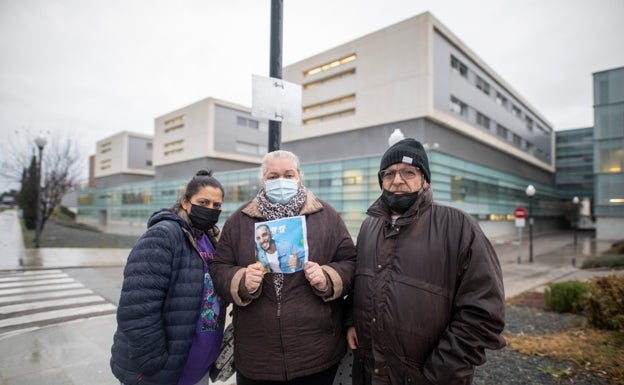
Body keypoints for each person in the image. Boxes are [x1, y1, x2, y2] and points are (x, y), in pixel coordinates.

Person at [346, 138, 506, 384]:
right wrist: (352, 321)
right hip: (371, 372)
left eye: (408, 172)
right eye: (389, 173)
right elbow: (359, 285)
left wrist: (438, 373)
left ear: (425, 180)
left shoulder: (459, 226)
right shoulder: (369, 226)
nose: (397, 180)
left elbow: (483, 314)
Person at [210, 150, 356, 385]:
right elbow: (219, 267)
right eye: (273, 176)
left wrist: (327, 277)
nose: (281, 181)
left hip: (316, 353)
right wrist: (241, 280)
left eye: (288, 175)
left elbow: (350, 261)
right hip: (258, 355)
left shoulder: (326, 216)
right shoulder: (240, 220)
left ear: (300, 177)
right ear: (263, 180)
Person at [111, 169, 227, 385]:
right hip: (166, 373)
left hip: (198, 368)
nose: (210, 210)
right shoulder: (163, 236)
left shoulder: (211, 240)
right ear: (185, 202)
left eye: (216, 206)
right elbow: (137, 310)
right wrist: (155, 364)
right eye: (203, 202)